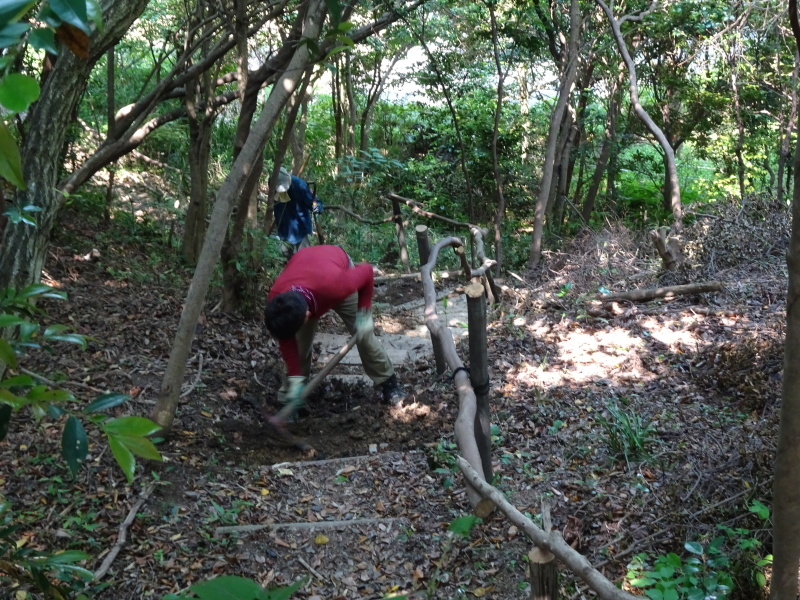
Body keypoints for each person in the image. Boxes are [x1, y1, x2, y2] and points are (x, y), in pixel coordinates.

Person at [264, 245, 407, 425]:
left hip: (335, 268)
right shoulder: (278, 303)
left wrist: (364, 312)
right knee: (299, 347)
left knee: (364, 337)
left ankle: (388, 384)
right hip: (306, 270)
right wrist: (295, 376)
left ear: (307, 316)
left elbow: (366, 272)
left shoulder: (336, 284)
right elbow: (286, 341)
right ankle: (291, 399)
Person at [272, 167, 323, 256]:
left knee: (304, 256)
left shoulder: (300, 185)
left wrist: (317, 207)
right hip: (283, 226)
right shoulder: (272, 182)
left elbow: (313, 202)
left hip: (300, 227)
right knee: (286, 254)